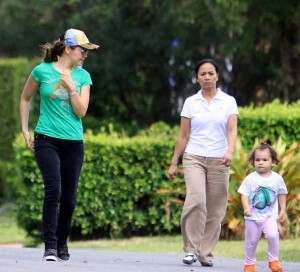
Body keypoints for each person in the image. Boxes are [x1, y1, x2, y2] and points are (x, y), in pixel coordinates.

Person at [19, 28, 99, 261]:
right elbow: (25, 98)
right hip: (46, 139)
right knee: (53, 189)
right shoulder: (41, 71)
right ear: (68, 49)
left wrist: (71, 86)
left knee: (70, 198)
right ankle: (50, 247)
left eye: (87, 51)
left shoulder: (83, 77)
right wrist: (25, 129)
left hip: (74, 143)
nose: (85, 54)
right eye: (82, 50)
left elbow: (81, 111)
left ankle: (62, 242)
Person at [168, 59, 238, 267]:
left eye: (210, 73)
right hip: (194, 157)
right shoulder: (191, 102)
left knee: (216, 208)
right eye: (202, 74)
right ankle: (190, 249)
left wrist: (230, 151)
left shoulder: (228, 101)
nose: (207, 77)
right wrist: (174, 163)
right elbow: (183, 135)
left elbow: (232, 130)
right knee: (196, 200)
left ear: (217, 76)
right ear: (197, 78)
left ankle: (205, 252)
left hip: (220, 159)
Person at [238, 139, 288, 272]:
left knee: (273, 236)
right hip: (252, 218)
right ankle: (249, 265)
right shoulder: (250, 178)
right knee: (251, 241)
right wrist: (246, 208)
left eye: (265, 160)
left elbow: (282, 194)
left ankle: (273, 261)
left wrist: (282, 210)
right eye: (257, 159)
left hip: (269, 217)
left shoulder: (277, 179)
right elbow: (244, 194)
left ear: (273, 162)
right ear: (253, 161)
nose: (260, 162)